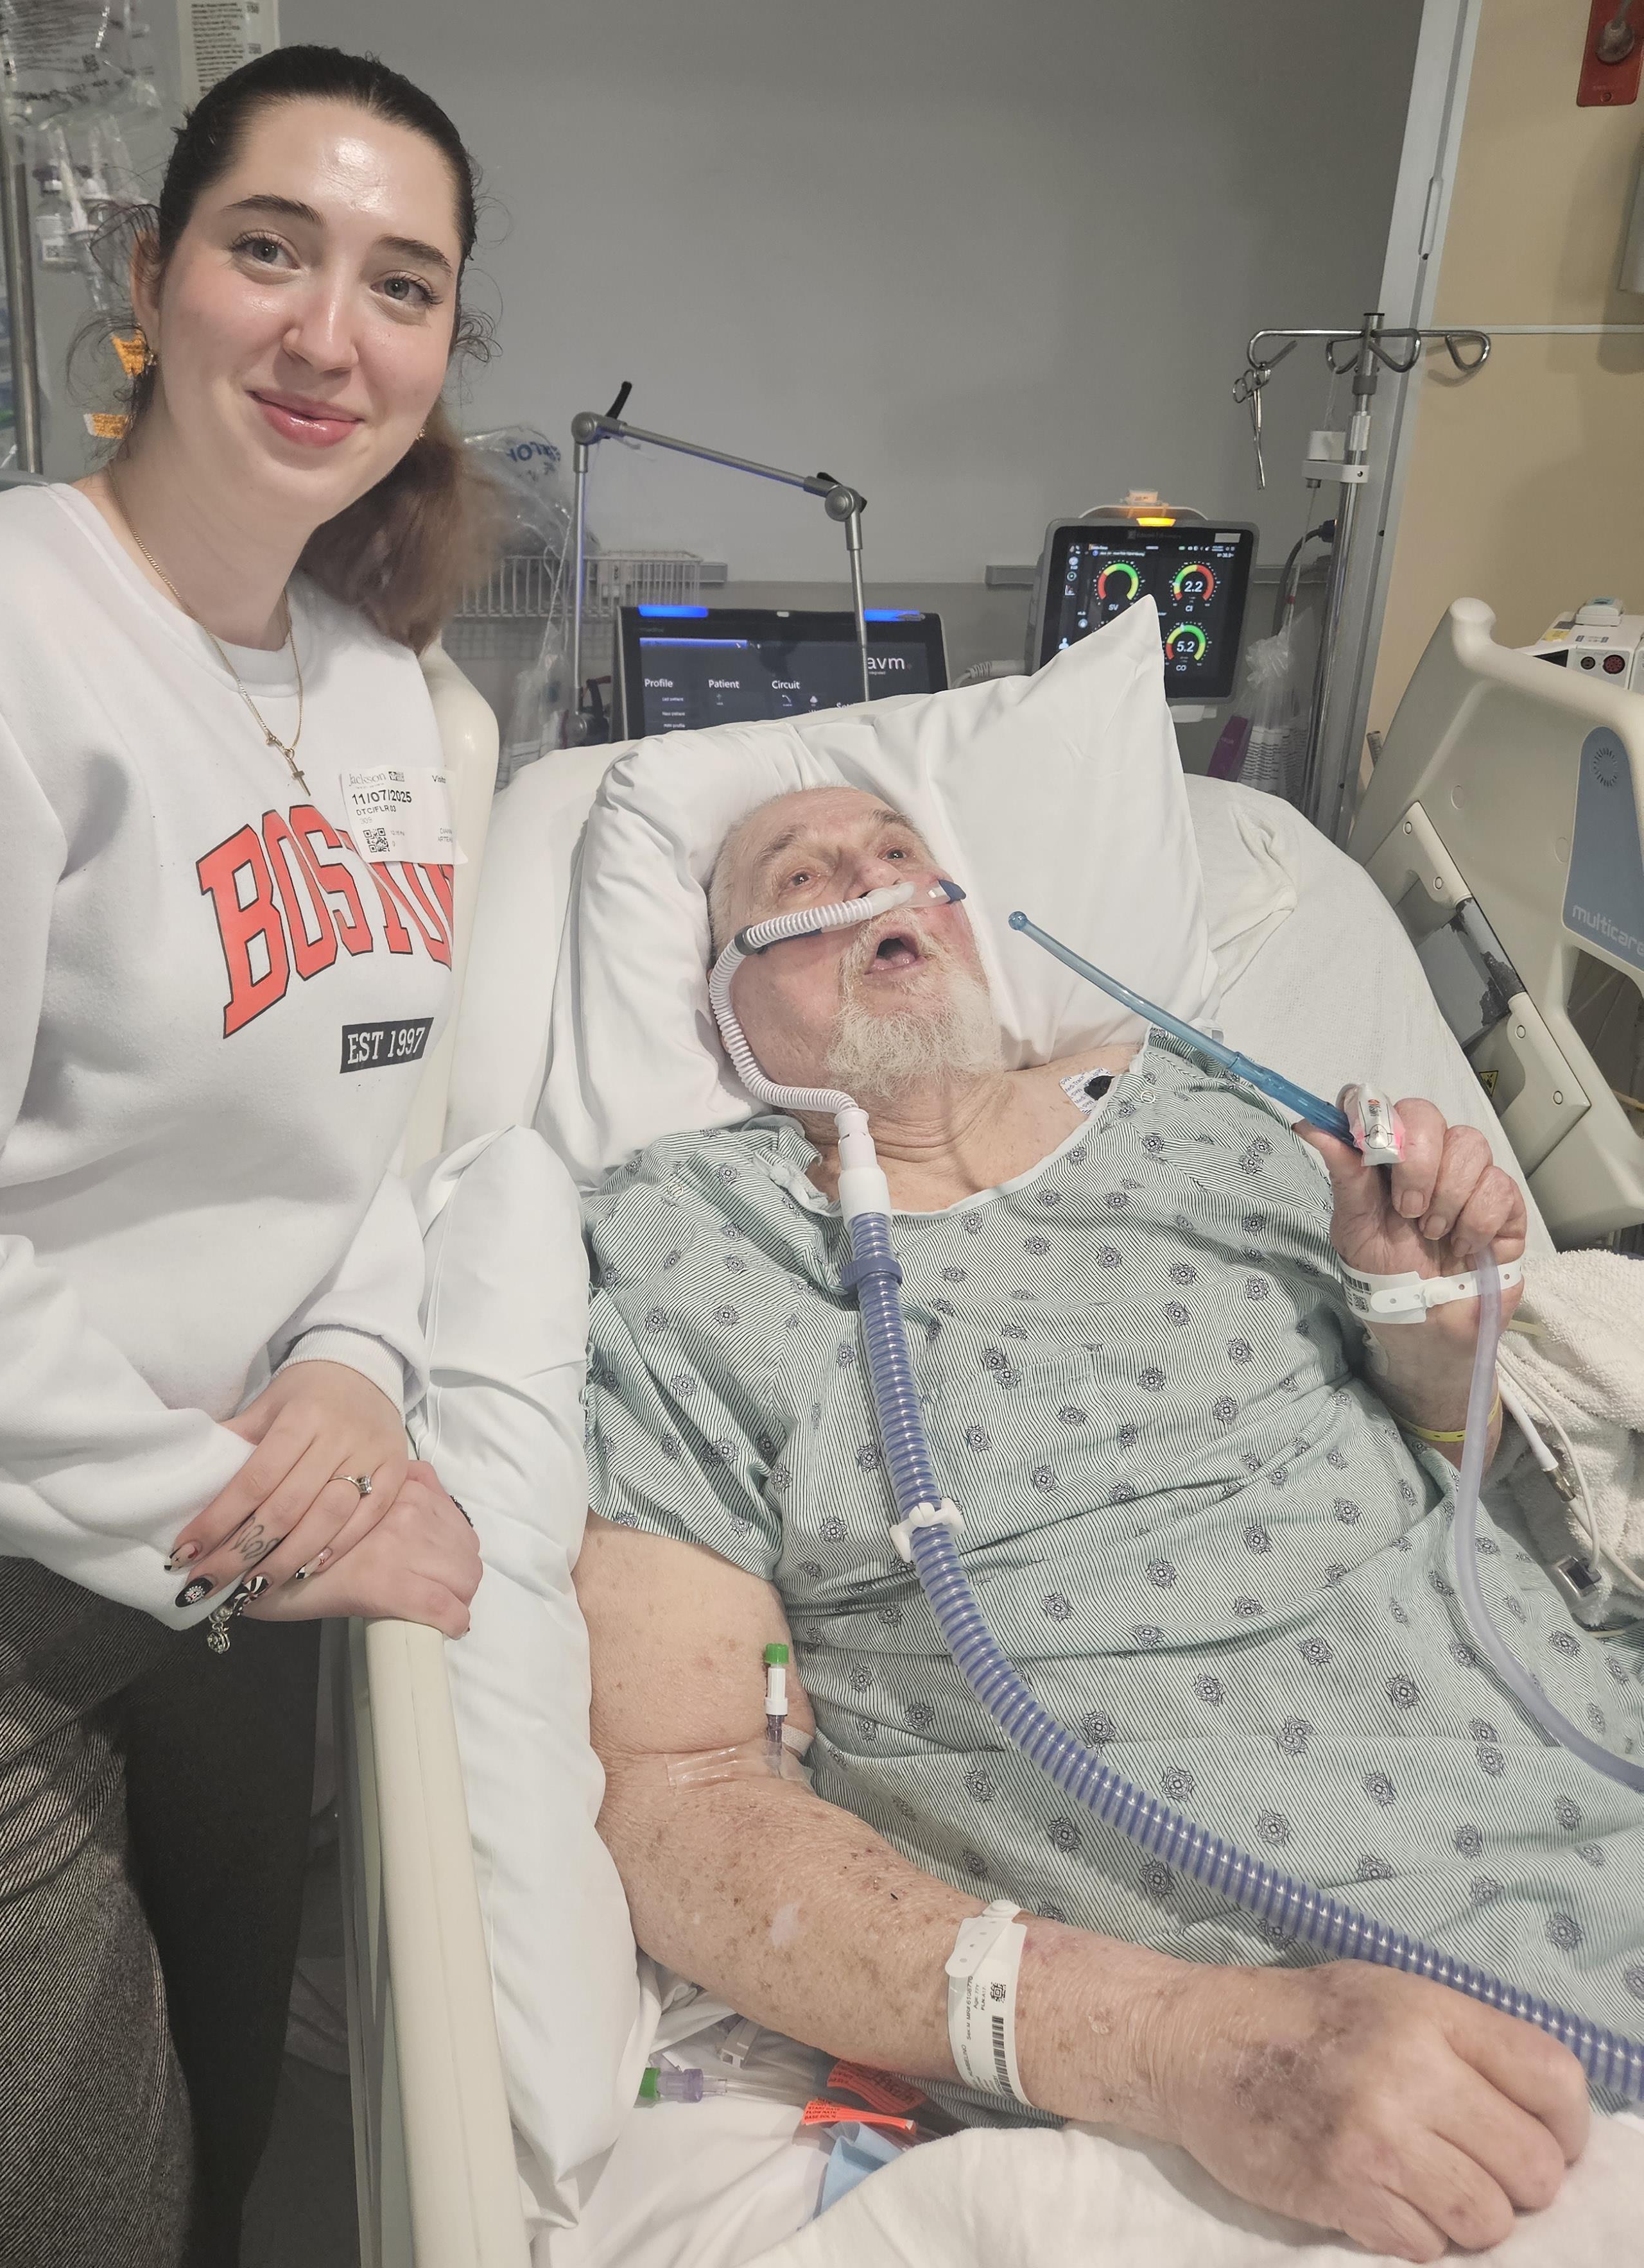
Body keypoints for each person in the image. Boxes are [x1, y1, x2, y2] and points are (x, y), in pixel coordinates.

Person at [0, 45, 494, 2268]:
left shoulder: (390, 700)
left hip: (208, 1548)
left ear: (445, 349)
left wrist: (353, 1366)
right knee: (91, 2226)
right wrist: (223, 1521)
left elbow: (381, 1126)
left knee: (228, 2141)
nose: (331, 331)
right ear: (152, 280)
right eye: (272, 250)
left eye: (402, 284)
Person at [577, 783, 1644, 2265]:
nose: (871, 885)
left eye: (899, 854)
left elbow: (1470, 1484)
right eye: (801, 880)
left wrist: (1431, 1329)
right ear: (728, 1005)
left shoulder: (1206, 1110)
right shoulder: (697, 1247)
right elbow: (685, 1793)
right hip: (1345, 2022)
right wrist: (1189, 2046)